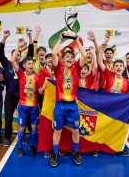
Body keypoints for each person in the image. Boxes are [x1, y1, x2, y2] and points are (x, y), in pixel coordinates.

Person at [50, 33, 87, 167]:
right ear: (63, 59)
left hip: (72, 105)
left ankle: (76, 152)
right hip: (60, 105)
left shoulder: (76, 69)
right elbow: (54, 54)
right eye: (67, 56)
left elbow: (84, 56)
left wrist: (77, 40)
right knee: (58, 130)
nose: (70, 58)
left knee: (76, 130)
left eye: (72, 57)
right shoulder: (58, 68)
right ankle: (55, 153)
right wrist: (60, 39)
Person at [0, 30, 33, 146]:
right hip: (10, 96)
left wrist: (30, 38)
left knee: (26, 117)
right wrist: (4, 38)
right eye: (15, 54)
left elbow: (31, 54)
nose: (17, 56)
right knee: (8, 118)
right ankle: (7, 137)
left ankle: (27, 135)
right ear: (12, 56)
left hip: (23, 96)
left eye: (19, 55)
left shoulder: (23, 66)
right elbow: (0, 52)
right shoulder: (7, 65)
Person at [11, 38, 45, 157]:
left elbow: (40, 92)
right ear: (24, 65)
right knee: (21, 127)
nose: (31, 65)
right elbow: (12, 60)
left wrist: (45, 86)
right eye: (29, 64)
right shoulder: (20, 74)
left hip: (34, 107)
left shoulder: (37, 77)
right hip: (23, 106)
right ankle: (20, 147)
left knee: (34, 126)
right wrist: (18, 46)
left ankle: (31, 145)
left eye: (32, 64)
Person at [98, 42, 129, 157]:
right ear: (113, 67)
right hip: (107, 107)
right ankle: (98, 146)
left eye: (120, 66)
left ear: (124, 68)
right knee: (103, 127)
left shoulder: (126, 82)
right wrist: (101, 48)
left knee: (118, 129)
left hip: (119, 110)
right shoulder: (109, 75)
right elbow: (99, 62)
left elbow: (126, 96)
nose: (118, 67)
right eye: (116, 66)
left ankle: (120, 147)